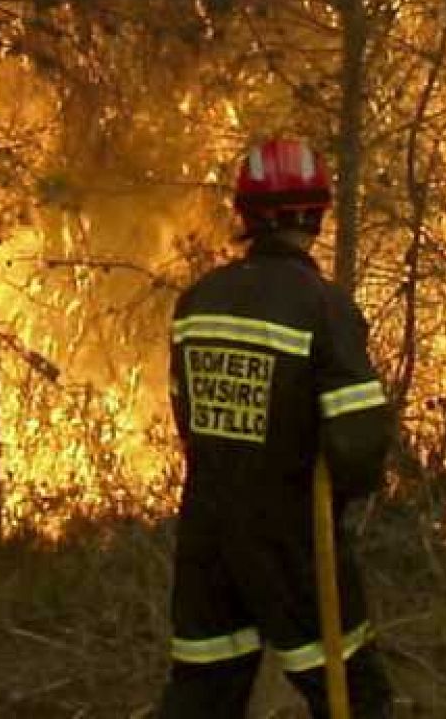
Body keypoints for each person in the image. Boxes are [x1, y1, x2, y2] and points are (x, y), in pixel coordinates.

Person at [157, 137, 396, 719]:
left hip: (207, 534)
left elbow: (186, 415)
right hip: (292, 536)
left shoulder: (198, 301)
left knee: (204, 692)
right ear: (316, 214)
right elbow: (360, 441)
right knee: (351, 693)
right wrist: (341, 489)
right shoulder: (323, 308)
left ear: (244, 215)